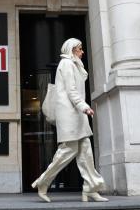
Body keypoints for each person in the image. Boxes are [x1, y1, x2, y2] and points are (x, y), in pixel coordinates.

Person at [31, 38, 108, 203]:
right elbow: (71, 90)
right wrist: (84, 107)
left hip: (77, 114)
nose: (82, 51)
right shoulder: (65, 64)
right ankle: (43, 183)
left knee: (86, 152)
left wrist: (82, 108)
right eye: (79, 49)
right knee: (67, 151)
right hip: (70, 114)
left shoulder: (74, 64)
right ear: (71, 50)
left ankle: (90, 188)